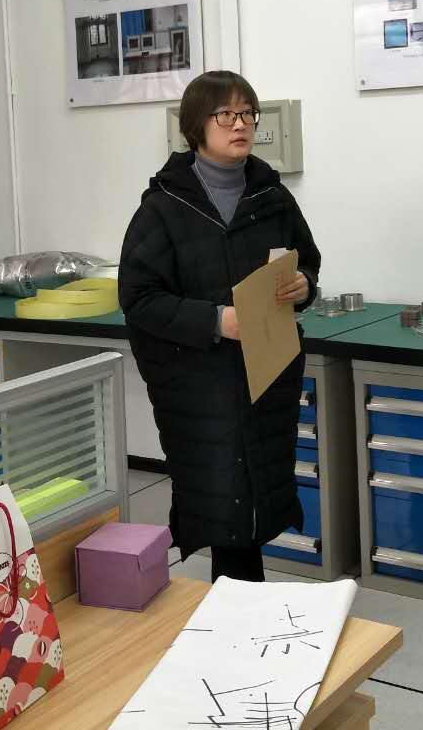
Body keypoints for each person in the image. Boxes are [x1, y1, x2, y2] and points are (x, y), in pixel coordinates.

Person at [119, 71, 321, 582]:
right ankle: (236, 609)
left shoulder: (272, 196)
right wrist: (215, 321)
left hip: (266, 375)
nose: (241, 124)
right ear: (195, 126)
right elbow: (139, 300)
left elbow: (306, 262)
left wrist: (304, 286)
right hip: (200, 385)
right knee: (223, 505)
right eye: (226, 114)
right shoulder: (164, 206)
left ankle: (243, 604)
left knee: (257, 499)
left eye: (248, 113)